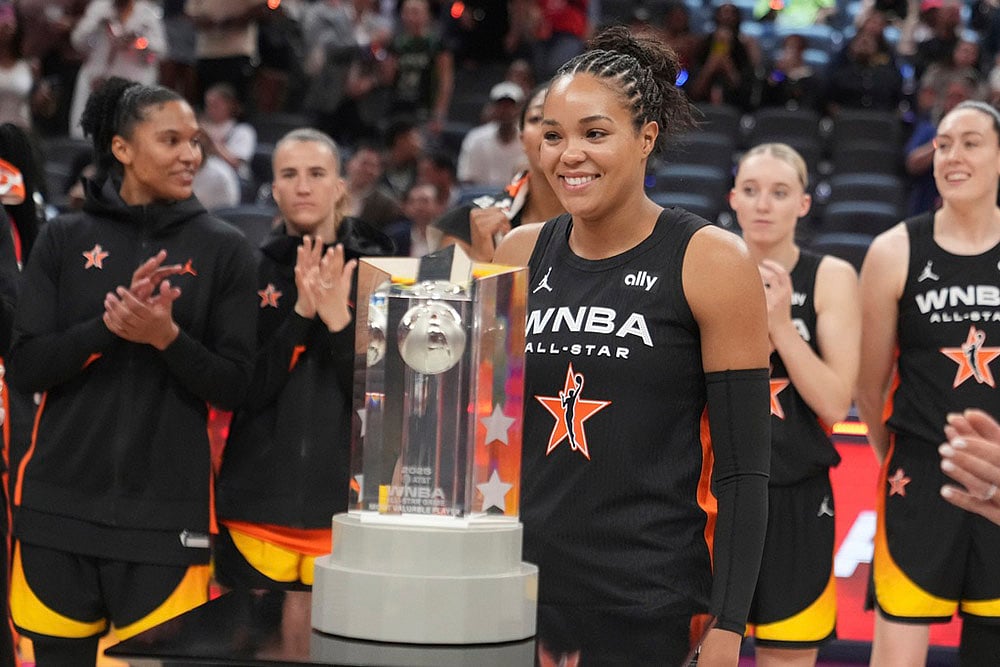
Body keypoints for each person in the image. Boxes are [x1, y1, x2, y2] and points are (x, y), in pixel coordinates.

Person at [493, 26, 771, 666]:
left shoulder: (711, 261)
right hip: (522, 592)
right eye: (554, 136)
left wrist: (729, 624)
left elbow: (744, 469)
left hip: (650, 602)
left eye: (595, 134)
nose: (569, 155)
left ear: (646, 137)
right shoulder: (517, 254)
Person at [4, 76, 257, 664]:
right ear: (122, 148)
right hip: (55, 514)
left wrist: (166, 338)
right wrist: (107, 329)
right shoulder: (63, 237)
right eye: (171, 140)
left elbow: (236, 386)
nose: (190, 155)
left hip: (166, 524)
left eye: (195, 142)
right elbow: (26, 368)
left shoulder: (225, 250)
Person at [214, 127, 392, 627]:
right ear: (274, 189)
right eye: (289, 175)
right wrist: (299, 315)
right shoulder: (249, 270)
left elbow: (385, 400)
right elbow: (243, 392)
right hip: (254, 512)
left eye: (317, 173)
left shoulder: (383, 272)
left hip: (349, 516)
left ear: (340, 186)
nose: (303, 186)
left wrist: (338, 321)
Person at [857, 99, 1000, 667]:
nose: (952, 156)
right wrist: (903, 457)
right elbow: (869, 387)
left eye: (970, 143)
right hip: (917, 480)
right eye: (942, 145)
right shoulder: (893, 250)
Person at [729, 143, 861, 666]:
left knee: (788, 655)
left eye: (780, 192)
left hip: (798, 497)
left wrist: (782, 328)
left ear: (804, 204)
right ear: (732, 199)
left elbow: (835, 403)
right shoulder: (704, 268)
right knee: (699, 652)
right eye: (751, 190)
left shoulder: (831, 276)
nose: (764, 204)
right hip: (715, 494)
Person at [435, 82, 564, 261]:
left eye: (563, 119)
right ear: (522, 138)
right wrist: (481, 261)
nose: (549, 129)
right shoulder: (469, 222)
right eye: (537, 118)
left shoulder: (604, 223)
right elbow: (435, 278)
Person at [68, 0, 166, 138]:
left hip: (133, 87)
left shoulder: (146, 12)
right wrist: (96, 25)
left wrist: (140, 42)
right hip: (97, 83)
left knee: (131, 135)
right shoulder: (99, 8)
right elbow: (77, 41)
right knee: (88, 134)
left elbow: (160, 52)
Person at [455, 81, 528, 188]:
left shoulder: (529, 139)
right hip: (481, 195)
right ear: (492, 108)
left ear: (520, 109)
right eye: (501, 106)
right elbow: (467, 179)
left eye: (510, 106)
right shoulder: (475, 138)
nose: (505, 111)